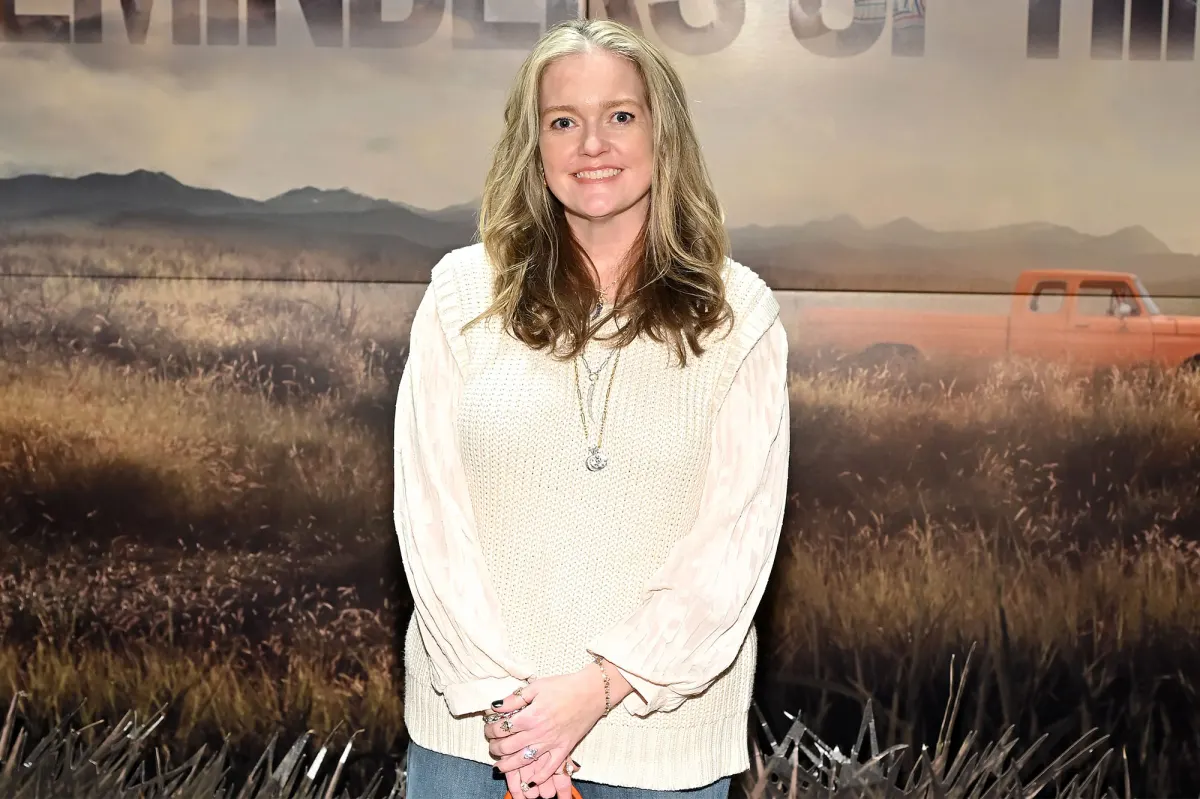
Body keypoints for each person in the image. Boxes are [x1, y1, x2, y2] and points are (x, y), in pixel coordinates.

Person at [393, 17, 790, 799]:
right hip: (475, 741)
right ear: (533, 144)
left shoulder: (739, 315)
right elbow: (431, 519)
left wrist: (598, 688)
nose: (592, 144)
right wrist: (515, 719)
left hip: (662, 753)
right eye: (563, 121)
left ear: (663, 132)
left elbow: (733, 548)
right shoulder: (459, 296)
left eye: (620, 115)